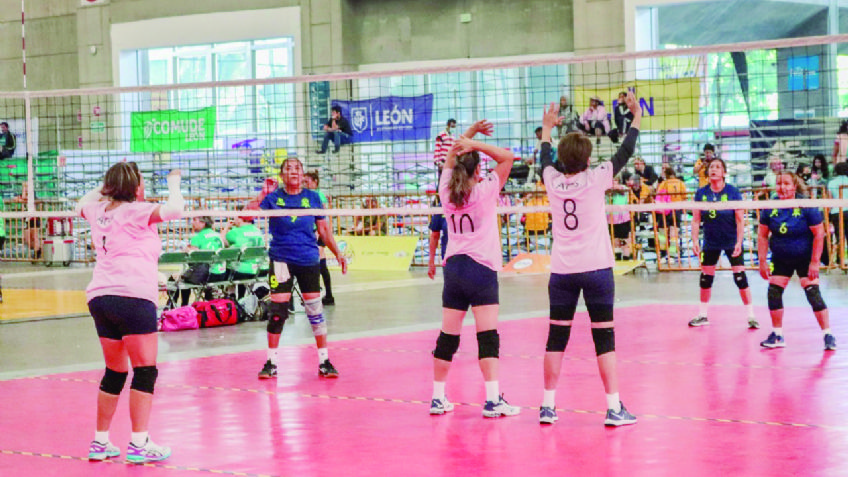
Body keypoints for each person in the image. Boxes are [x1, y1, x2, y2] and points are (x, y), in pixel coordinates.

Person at [536, 93, 642, 427]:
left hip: (563, 271)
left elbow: (543, 160)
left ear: (562, 160)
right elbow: (626, 151)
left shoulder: (552, 181)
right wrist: (636, 115)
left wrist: (546, 129)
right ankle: (613, 408)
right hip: (596, 269)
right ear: (588, 158)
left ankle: (548, 406)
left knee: (556, 338)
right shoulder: (597, 177)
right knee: (604, 339)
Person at [76, 163, 184, 464]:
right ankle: (139, 444)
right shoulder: (135, 210)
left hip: (101, 297)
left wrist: (106, 186)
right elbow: (175, 209)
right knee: (145, 370)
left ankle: (100, 442)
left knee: (116, 371)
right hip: (133, 296)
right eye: (141, 182)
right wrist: (173, 180)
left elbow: (80, 204)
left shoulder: (98, 211)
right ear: (135, 187)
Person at [429, 119, 520, 418]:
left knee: (448, 337)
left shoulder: (445, 190)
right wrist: (476, 142)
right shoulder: (484, 191)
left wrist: (467, 138)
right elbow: (507, 157)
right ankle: (492, 400)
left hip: (454, 269)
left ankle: (438, 397)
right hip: (481, 269)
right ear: (478, 171)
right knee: (487, 336)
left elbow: (450, 158)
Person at [257, 158, 348, 380]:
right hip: (281, 259)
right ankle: (271, 362)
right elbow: (246, 215)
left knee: (315, 310)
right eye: (288, 168)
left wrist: (338, 254)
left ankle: (324, 361)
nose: (294, 172)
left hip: (308, 258)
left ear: (303, 174)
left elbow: (324, 231)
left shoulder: (313, 198)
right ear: (282, 175)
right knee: (278, 312)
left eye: (297, 168)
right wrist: (262, 193)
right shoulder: (274, 198)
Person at [758, 171, 835, 351]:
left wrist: (815, 262)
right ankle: (777, 335)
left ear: (794, 186)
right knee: (774, 293)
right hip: (781, 257)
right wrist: (762, 261)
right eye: (779, 184)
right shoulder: (771, 206)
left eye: (786, 183)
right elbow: (762, 236)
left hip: (804, 257)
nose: (782, 187)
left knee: (813, 295)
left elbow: (819, 234)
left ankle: (828, 335)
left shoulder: (805, 204)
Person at [689, 158, 757, 329]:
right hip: (711, 241)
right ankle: (703, 315)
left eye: (718, 167)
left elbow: (740, 220)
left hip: (731, 240)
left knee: (740, 278)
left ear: (724, 172)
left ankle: (751, 316)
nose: (714, 169)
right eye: (712, 167)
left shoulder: (733, 192)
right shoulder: (701, 193)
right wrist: (695, 240)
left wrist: (740, 241)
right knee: (706, 278)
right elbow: (696, 220)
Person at [176, 216, 226, 307]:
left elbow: (192, 260)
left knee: (181, 279)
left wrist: (186, 250)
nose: (192, 222)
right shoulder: (218, 236)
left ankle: (183, 306)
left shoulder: (198, 238)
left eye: (195, 220)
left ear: (203, 223)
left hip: (206, 275)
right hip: (221, 274)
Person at [303, 170, 335, 306]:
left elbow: (321, 216)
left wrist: (317, 232)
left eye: (307, 181)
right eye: (304, 182)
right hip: (311, 231)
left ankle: (324, 295)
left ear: (315, 182)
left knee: (319, 264)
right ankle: (324, 295)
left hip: (318, 232)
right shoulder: (308, 195)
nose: (305, 184)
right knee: (318, 264)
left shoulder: (318, 195)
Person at [221, 214, 267, 299]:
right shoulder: (258, 231)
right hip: (258, 270)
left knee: (229, 268)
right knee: (242, 263)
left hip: (239, 272)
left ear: (240, 219)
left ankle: (231, 297)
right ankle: (243, 298)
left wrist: (227, 227)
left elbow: (222, 242)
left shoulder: (235, 232)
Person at [656, 166, 688, 256]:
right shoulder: (681, 183)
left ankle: (663, 254)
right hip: (677, 210)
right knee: (674, 234)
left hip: (665, 210)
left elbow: (658, 196)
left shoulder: (664, 183)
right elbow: (684, 197)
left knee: (662, 234)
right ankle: (673, 255)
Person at [13, 181, 41, 261]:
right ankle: (38, 249)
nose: (25, 188)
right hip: (26, 219)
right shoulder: (22, 194)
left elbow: (25, 199)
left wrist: (21, 198)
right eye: (24, 187)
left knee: (34, 236)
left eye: (26, 186)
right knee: (27, 239)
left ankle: (36, 253)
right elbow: (16, 199)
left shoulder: (32, 195)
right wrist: (21, 196)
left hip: (33, 218)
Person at [427, 195, 449, 280]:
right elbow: (435, 235)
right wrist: (431, 261)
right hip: (449, 258)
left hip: (470, 257)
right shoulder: (441, 206)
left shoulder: (472, 203)